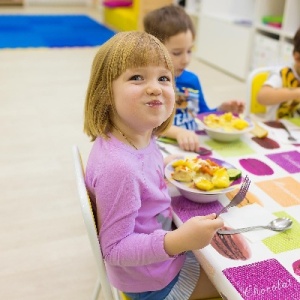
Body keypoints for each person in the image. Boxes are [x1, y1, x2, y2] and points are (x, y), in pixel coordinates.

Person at [83, 31, 224, 300]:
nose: (155, 87)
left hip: (159, 260)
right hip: (155, 283)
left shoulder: (138, 135)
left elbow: (143, 175)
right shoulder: (119, 168)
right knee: (241, 284)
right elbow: (115, 249)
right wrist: (180, 240)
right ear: (105, 93)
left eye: (164, 78)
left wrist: (166, 163)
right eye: (137, 77)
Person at [143, 5, 245, 152]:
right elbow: (145, 124)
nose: (186, 60)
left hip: (193, 148)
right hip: (160, 151)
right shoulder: (150, 87)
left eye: (189, 51)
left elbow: (201, 115)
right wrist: (178, 132)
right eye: (177, 53)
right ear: (152, 49)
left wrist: (221, 110)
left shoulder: (192, 81)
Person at [257, 27, 300, 120]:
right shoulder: (282, 74)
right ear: (297, 58)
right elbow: (262, 96)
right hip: (277, 130)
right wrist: (297, 92)